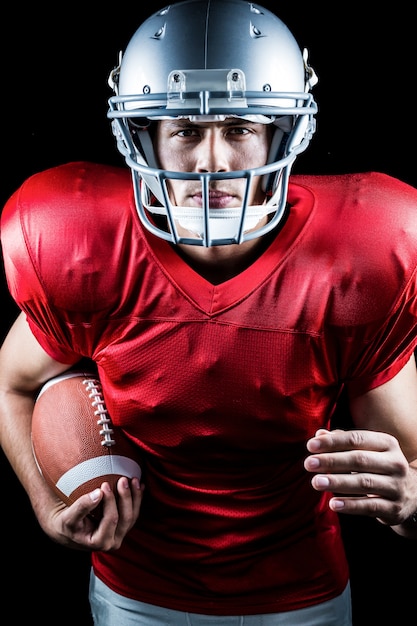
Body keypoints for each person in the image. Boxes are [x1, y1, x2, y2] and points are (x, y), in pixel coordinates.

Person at [2, 1, 417, 624]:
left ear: (285, 131)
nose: (212, 161)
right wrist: (42, 501)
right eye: (187, 131)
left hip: (301, 596)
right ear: (143, 139)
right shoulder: (81, 245)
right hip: (136, 592)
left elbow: (406, 485)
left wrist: (410, 501)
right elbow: (13, 385)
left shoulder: (360, 254)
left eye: (240, 127)